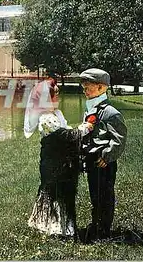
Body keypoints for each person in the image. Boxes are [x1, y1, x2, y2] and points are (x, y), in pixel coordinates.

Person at [25, 78, 93, 238]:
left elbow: (66, 129)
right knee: (53, 192)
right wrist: (85, 128)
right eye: (55, 96)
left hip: (61, 162)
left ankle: (62, 226)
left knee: (63, 193)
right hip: (53, 163)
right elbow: (66, 135)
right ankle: (55, 228)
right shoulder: (45, 118)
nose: (58, 99)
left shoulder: (56, 114)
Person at [79, 68, 127, 242]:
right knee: (95, 194)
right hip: (92, 160)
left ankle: (104, 230)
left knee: (105, 196)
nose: (85, 90)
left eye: (88, 87)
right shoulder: (90, 109)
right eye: (84, 87)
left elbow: (119, 139)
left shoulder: (110, 112)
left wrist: (106, 156)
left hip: (103, 162)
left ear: (101, 88)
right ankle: (97, 225)